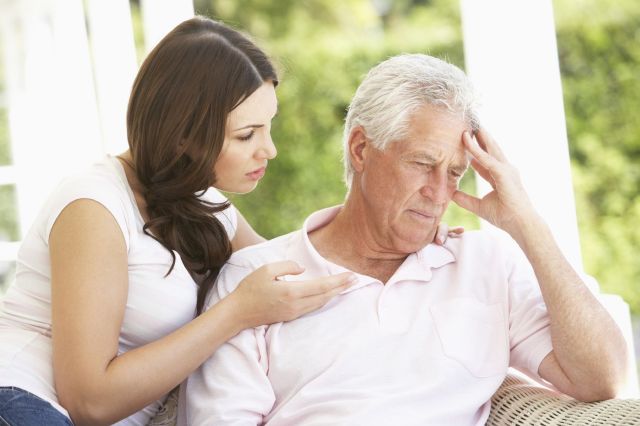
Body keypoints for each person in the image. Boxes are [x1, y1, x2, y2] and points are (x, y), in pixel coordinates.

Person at [0, 17, 469, 426]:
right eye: (247, 134)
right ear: (184, 134)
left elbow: (299, 276)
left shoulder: (205, 204)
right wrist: (237, 313)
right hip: (20, 402)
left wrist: (412, 241)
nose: (269, 150)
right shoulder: (95, 206)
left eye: (269, 127)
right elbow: (88, 401)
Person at [183, 53, 629, 425]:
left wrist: (528, 226)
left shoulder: (485, 264)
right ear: (361, 150)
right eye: (422, 163)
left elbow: (600, 378)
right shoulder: (257, 281)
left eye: (456, 173)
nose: (439, 193)